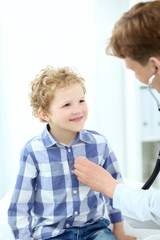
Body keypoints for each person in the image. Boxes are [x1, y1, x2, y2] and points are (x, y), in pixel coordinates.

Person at [8, 66, 136, 240]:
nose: (78, 110)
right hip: (52, 234)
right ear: (45, 114)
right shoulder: (33, 152)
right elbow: (20, 207)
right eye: (67, 104)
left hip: (95, 230)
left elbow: (115, 188)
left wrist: (119, 230)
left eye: (81, 101)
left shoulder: (99, 144)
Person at [74, 0, 160, 227]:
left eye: (133, 70)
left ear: (155, 66)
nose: (138, 79)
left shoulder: (98, 144)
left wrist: (110, 187)